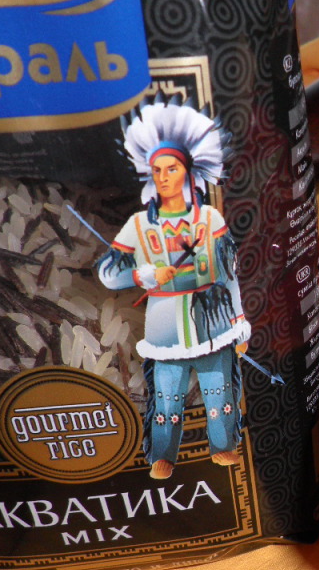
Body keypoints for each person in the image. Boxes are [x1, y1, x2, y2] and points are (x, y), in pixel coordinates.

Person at [96, 100, 249, 480]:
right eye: (157, 171)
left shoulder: (208, 218)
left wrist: (239, 319)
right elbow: (108, 272)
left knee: (219, 392)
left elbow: (228, 272)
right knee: (166, 396)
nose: (164, 177)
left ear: (187, 171)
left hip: (212, 318)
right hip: (164, 322)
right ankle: (162, 455)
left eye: (172, 169)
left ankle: (224, 446)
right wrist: (144, 275)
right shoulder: (138, 225)